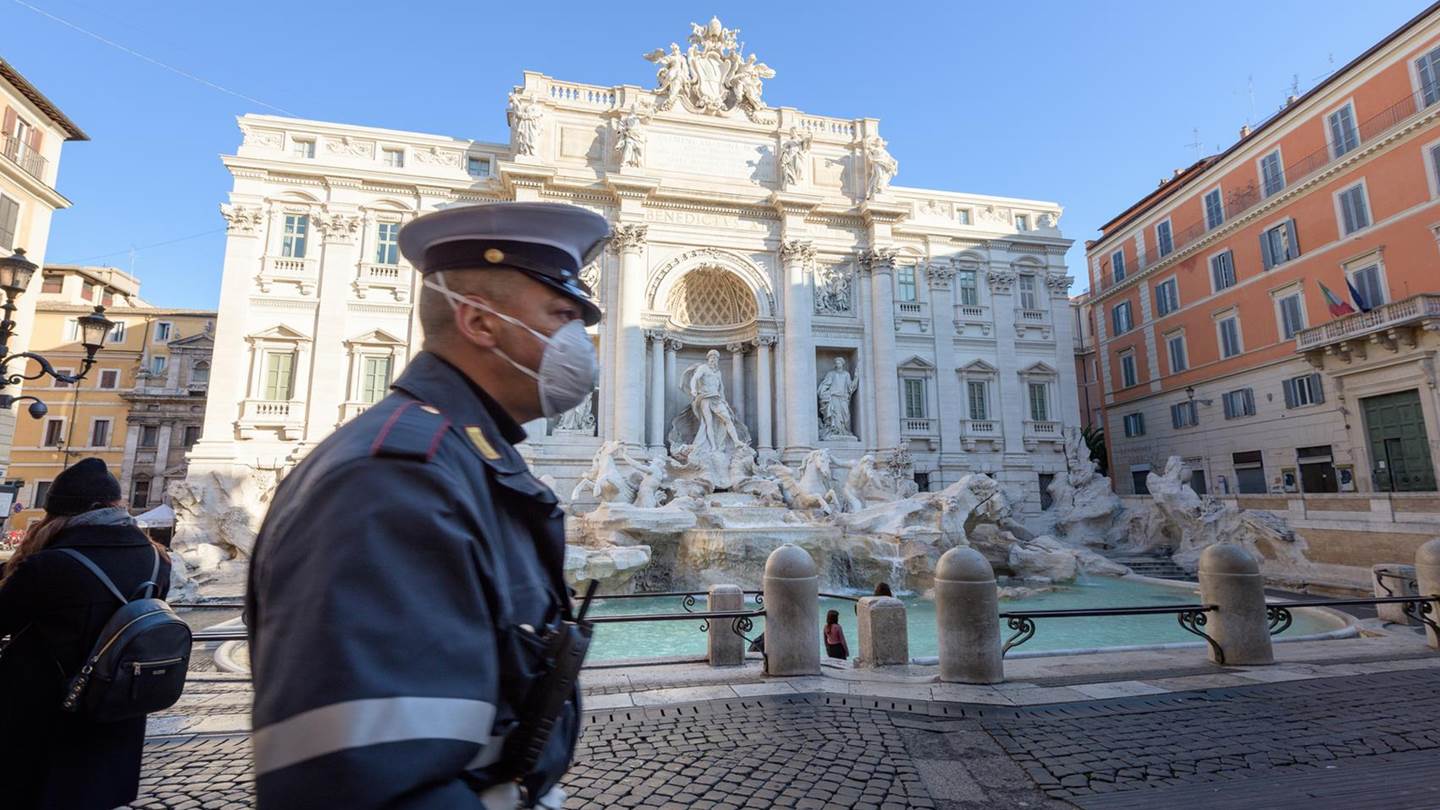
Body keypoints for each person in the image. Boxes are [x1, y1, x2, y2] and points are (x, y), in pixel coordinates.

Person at [247, 201, 609, 810]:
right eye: (561, 314)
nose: (580, 340)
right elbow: (365, 782)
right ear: (479, 322)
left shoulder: (466, 459)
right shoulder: (392, 479)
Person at [0, 457, 172, 810]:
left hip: (43, 719)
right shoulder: (157, 560)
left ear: (58, 513)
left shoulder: (49, 565)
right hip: (117, 713)